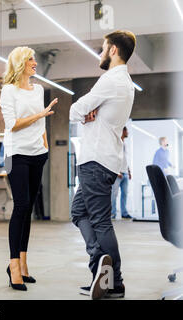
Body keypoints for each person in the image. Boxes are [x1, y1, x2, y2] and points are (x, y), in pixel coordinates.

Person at [69, 30, 136, 299]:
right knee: (78, 211)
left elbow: (75, 111)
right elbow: (85, 112)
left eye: (102, 48)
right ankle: (101, 267)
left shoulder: (110, 79)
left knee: (100, 221)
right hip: (105, 160)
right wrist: (90, 114)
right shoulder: (126, 82)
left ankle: (114, 281)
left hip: (96, 160)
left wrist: (86, 114)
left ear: (113, 51)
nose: (100, 53)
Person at [0, 46, 58, 291]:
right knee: (21, 206)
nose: (36, 62)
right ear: (21, 63)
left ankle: (23, 264)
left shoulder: (39, 89)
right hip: (16, 154)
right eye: (31, 59)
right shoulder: (8, 91)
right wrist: (40, 114)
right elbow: (12, 124)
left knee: (29, 208)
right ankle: (13, 266)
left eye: (35, 58)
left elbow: (41, 123)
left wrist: (44, 146)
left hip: (37, 154)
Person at [111, 127, 132, 219]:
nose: (128, 132)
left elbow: (124, 159)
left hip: (125, 173)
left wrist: (129, 171)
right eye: (126, 130)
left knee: (125, 194)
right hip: (117, 174)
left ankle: (124, 213)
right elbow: (113, 158)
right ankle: (112, 213)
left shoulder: (124, 144)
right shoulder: (116, 143)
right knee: (114, 194)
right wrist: (116, 171)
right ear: (122, 131)